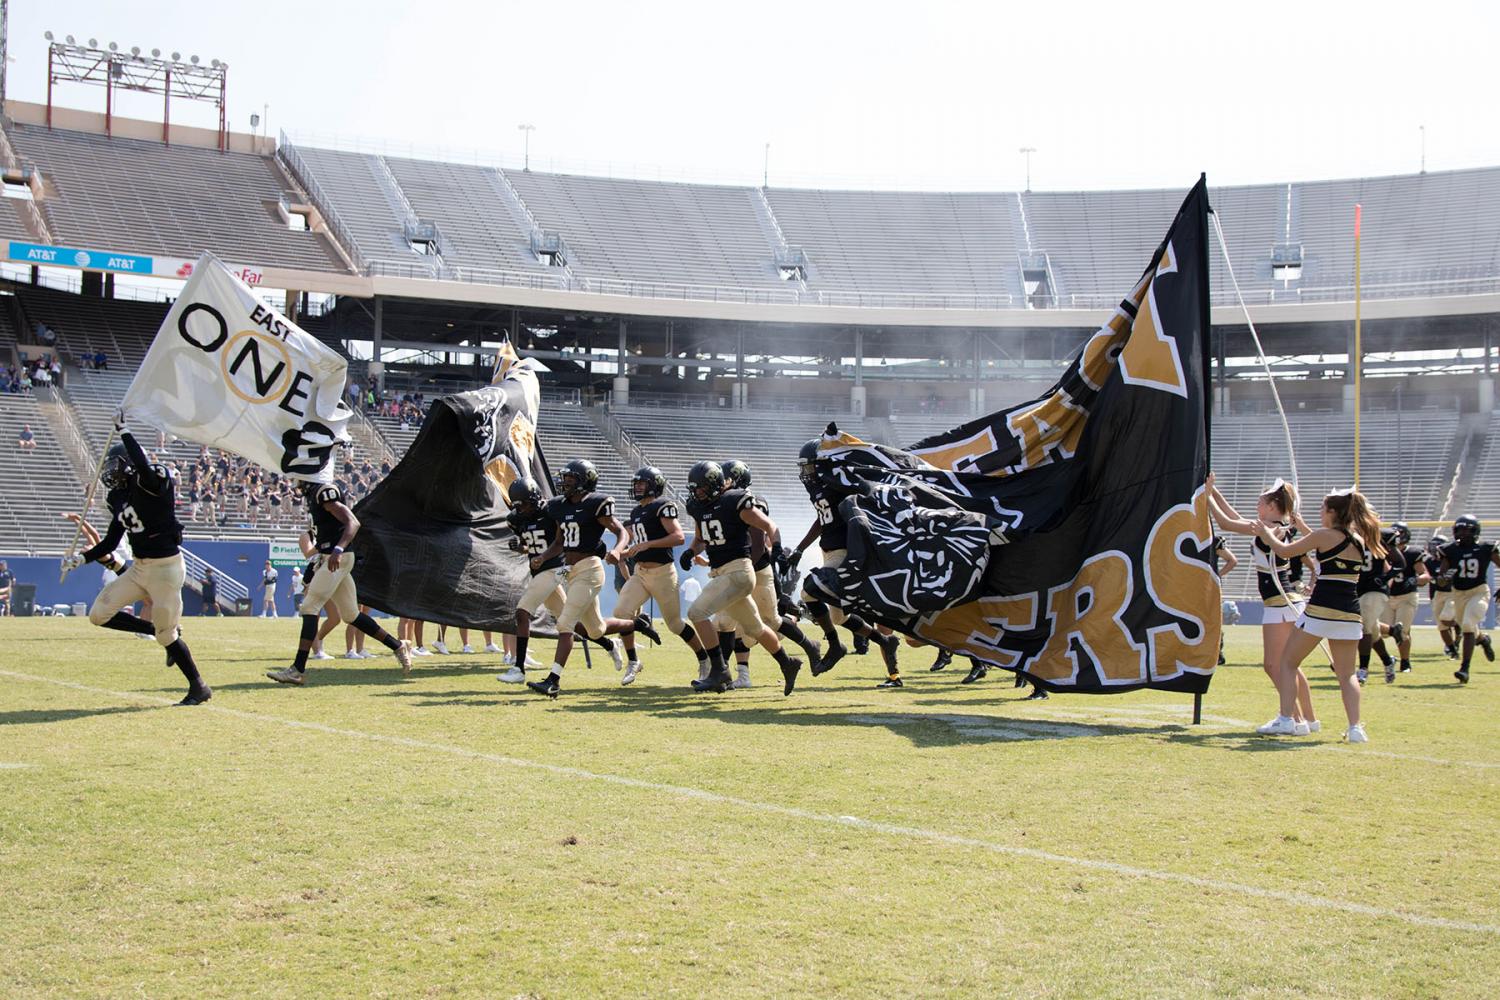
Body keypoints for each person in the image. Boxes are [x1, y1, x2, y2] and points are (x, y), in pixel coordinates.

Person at [60, 415, 210, 705]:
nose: (111, 473)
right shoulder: (117, 497)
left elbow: (143, 467)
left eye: (116, 466)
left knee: (168, 638)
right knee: (98, 615)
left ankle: (198, 686)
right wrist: (81, 559)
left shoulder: (153, 480)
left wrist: (125, 432)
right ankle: (154, 630)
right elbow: (110, 542)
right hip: (140, 568)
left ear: (129, 463)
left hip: (166, 568)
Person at [1252, 488, 1384, 743]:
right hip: (1349, 613)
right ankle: (1355, 728)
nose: (1320, 513)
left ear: (1333, 512)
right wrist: (1302, 528)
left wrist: (1266, 533)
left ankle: (1287, 718)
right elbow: (1324, 544)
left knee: (1287, 664)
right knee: (1347, 674)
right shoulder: (1356, 539)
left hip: (1320, 611)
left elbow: (1284, 551)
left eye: (1323, 509)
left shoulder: (1324, 535)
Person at [523, 460, 659, 698]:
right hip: (569, 569)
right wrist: (542, 557)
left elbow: (621, 531)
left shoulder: (595, 504)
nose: (565, 483)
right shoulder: (559, 506)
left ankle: (553, 681)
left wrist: (617, 551)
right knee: (595, 630)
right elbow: (559, 542)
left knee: (565, 624)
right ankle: (637, 624)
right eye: (564, 479)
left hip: (590, 569)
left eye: (571, 479)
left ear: (584, 481)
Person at [266, 481, 413, 685]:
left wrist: (338, 549)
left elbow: (353, 522)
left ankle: (297, 669)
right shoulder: (314, 494)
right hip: (331, 558)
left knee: (309, 606)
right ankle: (397, 645)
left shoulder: (325, 491)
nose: (295, 481)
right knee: (351, 614)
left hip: (338, 558)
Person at [680, 460, 803, 695]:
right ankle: (788, 663)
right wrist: (690, 551)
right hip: (723, 572)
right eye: (694, 488)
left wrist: (776, 546)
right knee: (755, 627)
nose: (697, 493)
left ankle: (719, 671)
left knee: (696, 613)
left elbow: (769, 525)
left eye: (701, 488)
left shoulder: (733, 500)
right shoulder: (699, 507)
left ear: (715, 485)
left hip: (738, 571)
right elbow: (702, 538)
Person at [1209, 477, 1320, 730]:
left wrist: (1207, 499)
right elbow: (1233, 516)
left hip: (1279, 603)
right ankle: (1309, 720)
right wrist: (1213, 491)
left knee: (1273, 665)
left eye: (1261, 501)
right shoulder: (1273, 525)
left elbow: (1226, 523)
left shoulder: (1271, 529)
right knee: (1290, 665)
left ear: (1271, 505)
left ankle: (1294, 720)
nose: (1257, 504)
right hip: (1289, 601)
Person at [788, 439, 902, 685]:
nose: (805, 473)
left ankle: (835, 645)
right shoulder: (820, 489)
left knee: (810, 591)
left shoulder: (839, 485)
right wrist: (799, 549)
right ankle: (884, 642)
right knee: (838, 617)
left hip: (844, 552)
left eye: (808, 467)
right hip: (828, 550)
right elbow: (822, 520)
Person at [713, 460, 821, 688]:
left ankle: (809, 647)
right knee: (730, 622)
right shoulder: (723, 502)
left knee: (765, 620)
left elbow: (759, 545)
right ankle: (733, 675)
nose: (720, 483)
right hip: (738, 570)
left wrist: (741, 571)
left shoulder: (750, 502)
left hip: (755, 570)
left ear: (737, 479)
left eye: (725, 478)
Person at [609, 466, 714, 686]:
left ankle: (704, 659)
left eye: (642, 483)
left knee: (675, 624)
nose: (637, 487)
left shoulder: (662, 506)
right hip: (640, 572)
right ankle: (633, 661)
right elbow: (641, 544)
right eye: (636, 483)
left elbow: (677, 537)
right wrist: (626, 552)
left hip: (663, 573)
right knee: (621, 612)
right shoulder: (637, 511)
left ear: (654, 485)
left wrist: (647, 544)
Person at [1437, 515, 1499, 684]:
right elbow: (1441, 577)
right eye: (1460, 529)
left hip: (1479, 591)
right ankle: (1483, 640)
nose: (1463, 533)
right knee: (1468, 625)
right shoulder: (1449, 550)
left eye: (1467, 530)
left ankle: (1464, 669)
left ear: (1475, 531)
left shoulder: (1486, 548)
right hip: (1458, 594)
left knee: (1467, 625)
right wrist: (1443, 579)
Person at [1354, 528, 1404, 684]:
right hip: (1357, 589)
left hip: (1375, 590)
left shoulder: (1381, 536)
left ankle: (1363, 670)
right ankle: (1388, 662)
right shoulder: (1348, 536)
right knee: (1373, 632)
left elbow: (1399, 562)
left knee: (1363, 628)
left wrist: (1384, 578)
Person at [1381, 522, 1425, 675]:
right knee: (1384, 632)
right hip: (1386, 597)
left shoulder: (1412, 553)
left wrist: (1415, 580)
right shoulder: (1383, 552)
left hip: (1407, 596)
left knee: (1403, 631)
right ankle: (1389, 658)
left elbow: (1425, 575)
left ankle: (1405, 662)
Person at [1424, 533, 1459, 658]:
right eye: (1433, 545)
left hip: (1452, 593)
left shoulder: (1452, 559)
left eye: (1437, 546)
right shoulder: (1429, 561)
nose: (1434, 548)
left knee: (1446, 618)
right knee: (1441, 625)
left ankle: (1459, 627)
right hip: (1437, 594)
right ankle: (1452, 648)